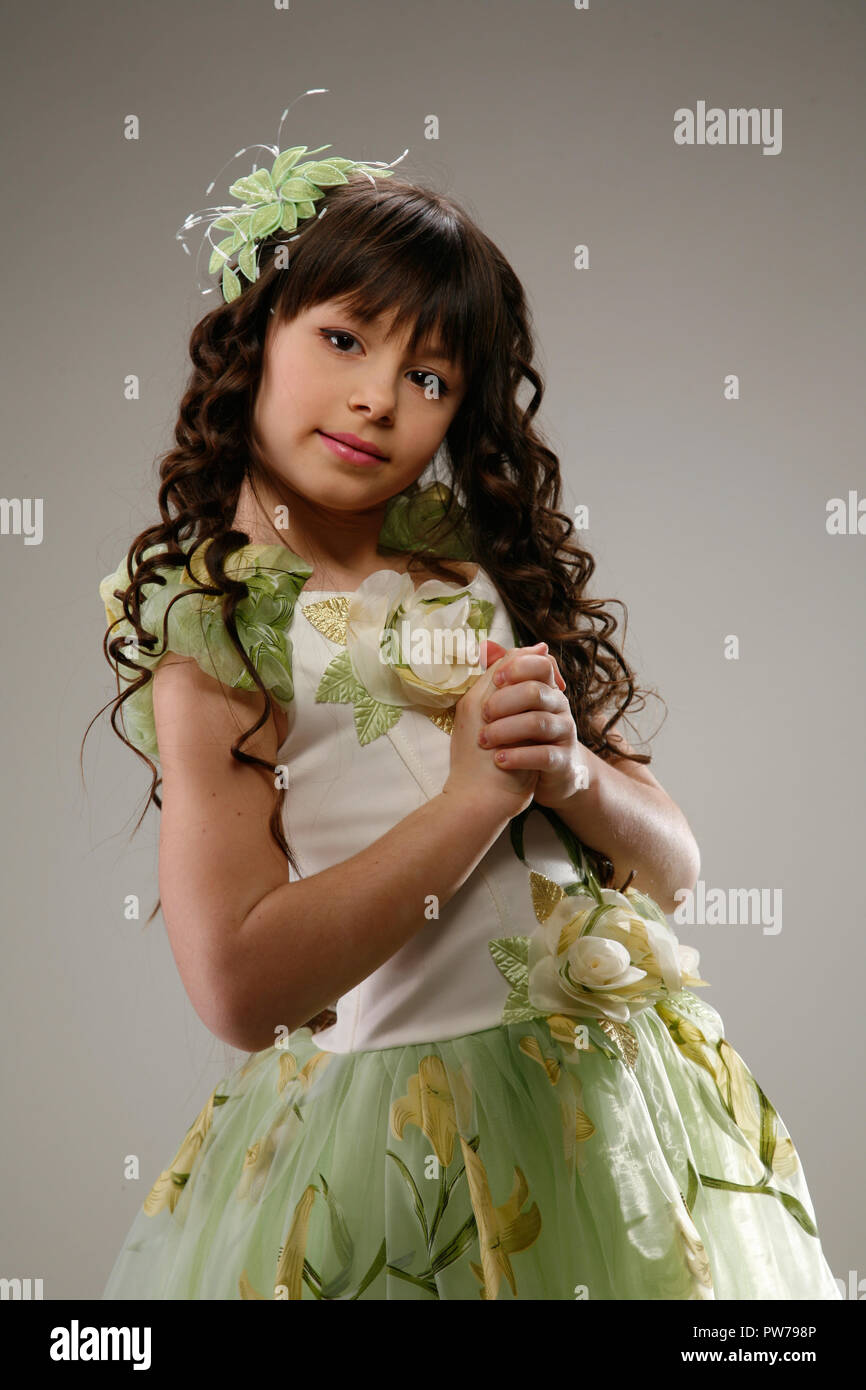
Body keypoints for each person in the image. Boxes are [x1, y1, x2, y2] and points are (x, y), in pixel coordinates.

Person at [93, 115, 840, 1301]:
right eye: (342, 338)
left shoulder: (463, 569)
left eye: (428, 377)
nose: (378, 398)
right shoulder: (218, 633)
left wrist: (571, 777)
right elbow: (235, 985)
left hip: (611, 1112)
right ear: (255, 332)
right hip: (412, 1133)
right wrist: (473, 801)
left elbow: (676, 866)